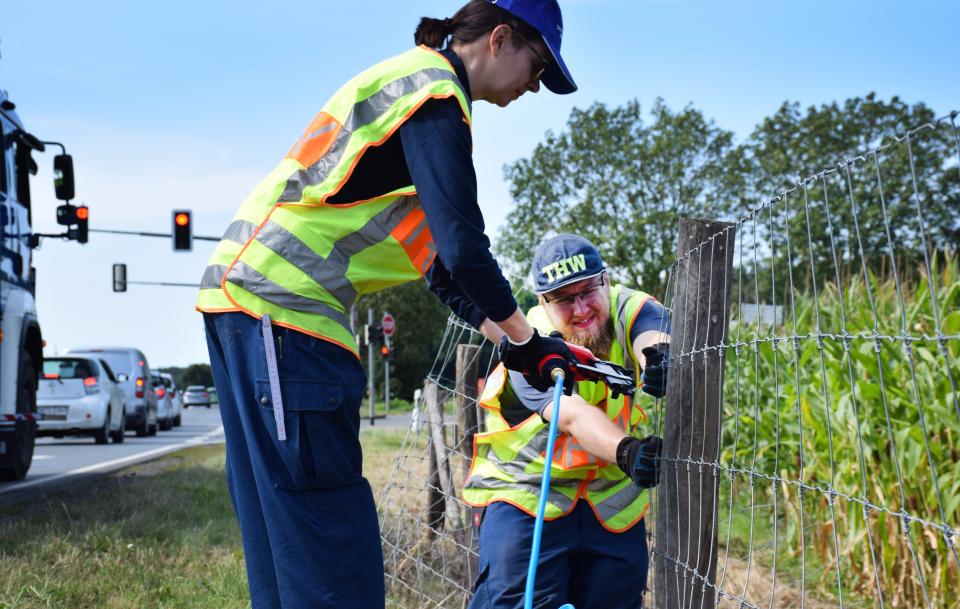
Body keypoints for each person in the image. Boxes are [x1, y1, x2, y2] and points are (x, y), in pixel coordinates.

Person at [196, 1, 580, 608]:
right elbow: (465, 247)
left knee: (287, 538)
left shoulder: (411, 103)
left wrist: (515, 344)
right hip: (283, 308)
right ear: (502, 39)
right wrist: (529, 340)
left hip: (250, 307)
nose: (534, 88)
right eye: (537, 69)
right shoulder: (435, 96)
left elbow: (444, 271)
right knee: (328, 542)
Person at [463, 234, 671, 609]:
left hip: (609, 502)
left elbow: (652, 328)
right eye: (563, 299)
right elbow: (571, 415)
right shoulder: (527, 342)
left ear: (605, 280)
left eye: (589, 290)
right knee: (515, 601)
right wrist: (628, 451)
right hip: (527, 496)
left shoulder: (627, 306)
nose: (580, 309)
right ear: (543, 301)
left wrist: (658, 357)